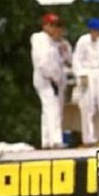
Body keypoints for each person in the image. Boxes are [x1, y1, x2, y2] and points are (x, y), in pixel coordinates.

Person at [72, 17, 99, 146]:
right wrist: (81, 75)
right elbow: (76, 59)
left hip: (98, 74)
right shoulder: (83, 41)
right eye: (98, 31)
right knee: (87, 108)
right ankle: (88, 138)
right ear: (92, 30)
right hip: (87, 74)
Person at [31, 13, 67, 149]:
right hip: (46, 79)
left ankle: (46, 140)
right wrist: (53, 77)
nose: (55, 29)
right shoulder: (40, 39)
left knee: (49, 110)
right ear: (45, 25)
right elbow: (43, 63)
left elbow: (65, 59)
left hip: (55, 80)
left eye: (57, 26)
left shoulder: (55, 42)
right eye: (52, 25)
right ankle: (55, 139)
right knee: (52, 109)